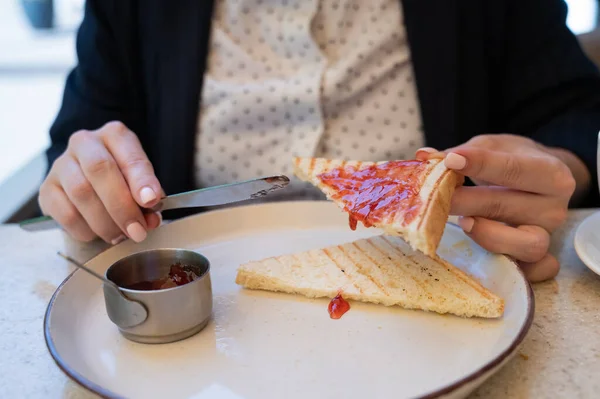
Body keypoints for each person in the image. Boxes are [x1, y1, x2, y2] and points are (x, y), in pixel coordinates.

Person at [39, 0, 600, 282]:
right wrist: (85, 179)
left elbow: (572, 110)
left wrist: (554, 168)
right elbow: (81, 136)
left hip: (447, 281)